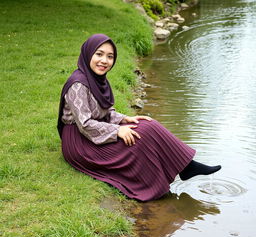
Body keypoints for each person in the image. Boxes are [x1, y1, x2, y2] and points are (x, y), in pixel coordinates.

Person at [57, 34, 221, 202]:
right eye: (99, 54)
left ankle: (186, 166)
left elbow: (103, 113)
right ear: (88, 53)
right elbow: (85, 124)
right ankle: (154, 184)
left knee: (147, 124)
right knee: (137, 143)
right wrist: (117, 130)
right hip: (79, 144)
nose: (104, 61)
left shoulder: (97, 79)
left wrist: (124, 119)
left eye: (110, 56)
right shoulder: (78, 84)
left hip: (90, 133)